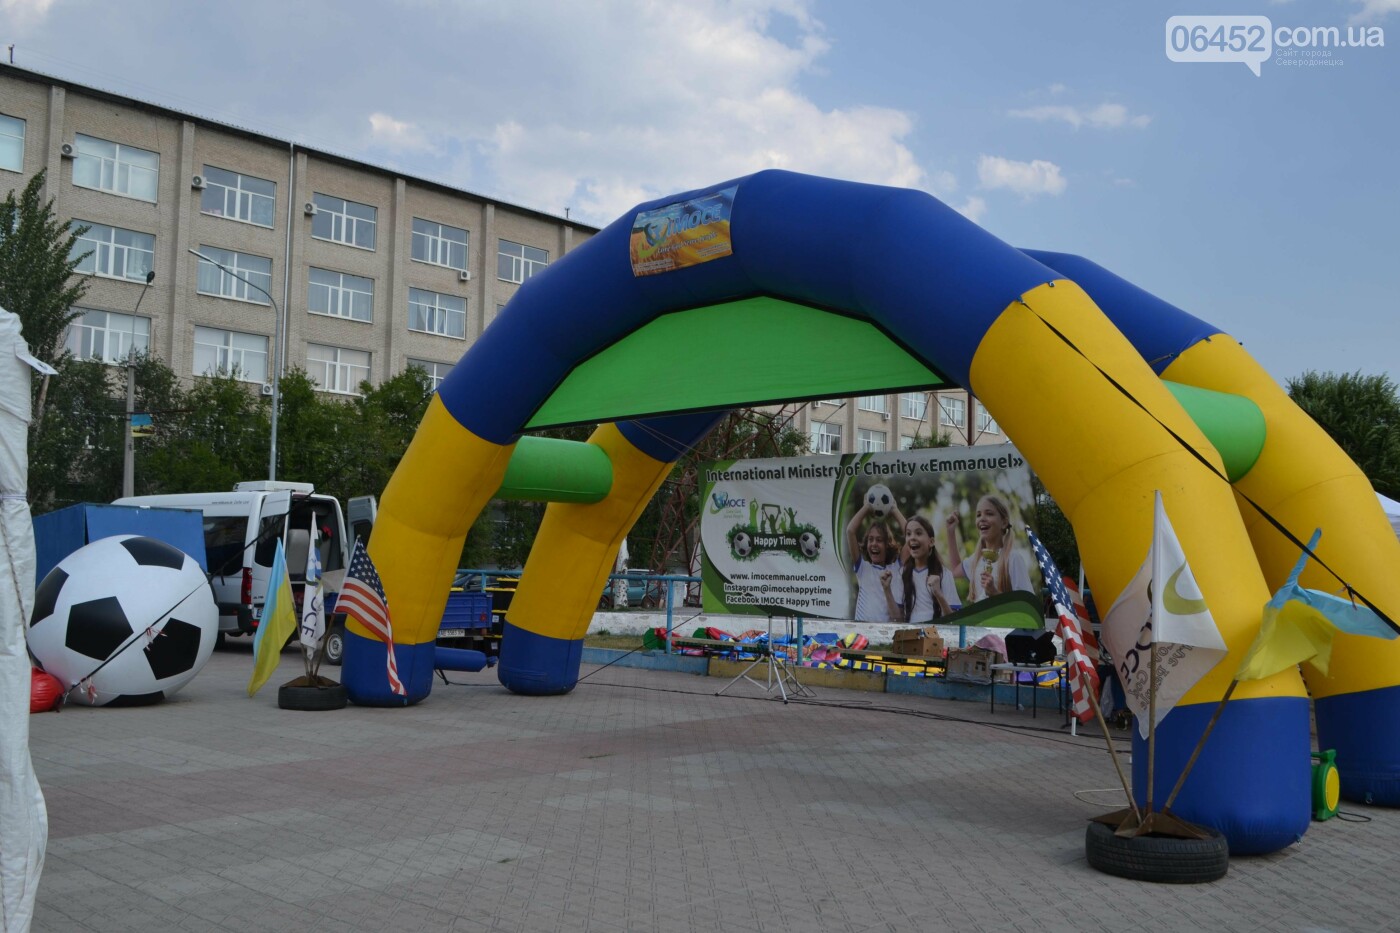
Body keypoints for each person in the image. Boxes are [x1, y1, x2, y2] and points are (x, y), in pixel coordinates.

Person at [946, 494, 1034, 602]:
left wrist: (995, 593)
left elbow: (1026, 604)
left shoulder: (1013, 559)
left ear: (1004, 522)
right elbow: (955, 570)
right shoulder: (976, 560)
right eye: (978, 515)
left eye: (989, 514)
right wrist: (950, 532)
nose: (982, 518)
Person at [844, 498, 906, 624]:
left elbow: (911, 537)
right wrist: (866, 507)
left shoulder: (896, 569)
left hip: (884, 634)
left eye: (879, 540)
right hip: (861, 633)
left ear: (887, 545)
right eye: (870, 539)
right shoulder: (863, 568)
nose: (874, 544)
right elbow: (850, 531)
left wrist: (894, 510)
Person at [897, 515, 959, 624]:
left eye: (918, 533)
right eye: (908, 534)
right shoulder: (902, 573)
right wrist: (886, 589)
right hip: (909, 636)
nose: (912, 537)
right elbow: (897, 617)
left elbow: (954, 620)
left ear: (931, 542)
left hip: (936, 636)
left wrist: (938, 594)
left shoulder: (944, 574)